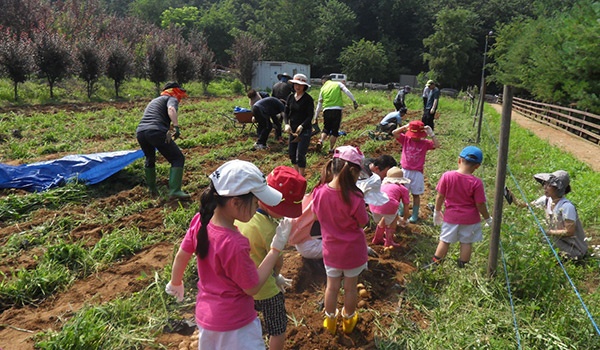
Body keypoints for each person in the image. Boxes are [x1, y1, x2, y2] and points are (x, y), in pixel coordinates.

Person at [165, 159, 290, 349]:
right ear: (235, 203)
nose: (257, 206)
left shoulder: (201, 220)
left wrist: (176, 282)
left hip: (207, 317)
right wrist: (275, 249)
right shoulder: (235, 243)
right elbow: (252, 287)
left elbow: (182, 254)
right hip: (236, 325)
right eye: (256, 202)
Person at [236, 166, 307, 350]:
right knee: (277, 328)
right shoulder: (269, 230)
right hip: (266, 289)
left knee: (246, 324)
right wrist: (276, 276)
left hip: (241, 286)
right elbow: (277, 260)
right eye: (284, 210)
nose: (285, 214)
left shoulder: (240, 218)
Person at [312, 145, 369, 335]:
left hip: (331, 250)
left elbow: (316, 215)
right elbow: (363, 222)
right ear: (353, 171)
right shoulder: (355, 197)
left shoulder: (319, 192)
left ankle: (330, 320)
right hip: (353, 251)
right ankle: (348, 320)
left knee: (331, 287)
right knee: (350, 289)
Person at [429, 146, 492, 268]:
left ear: (459, 160)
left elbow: (440, 196)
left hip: (451, 217)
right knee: (466, 242)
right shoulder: (476, 182)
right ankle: (463, 266)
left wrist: (437, 211)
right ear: (477, 166)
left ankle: (436, 264)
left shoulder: (447, 176)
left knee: (445, 240)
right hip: (470, 219)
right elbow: (480, 204)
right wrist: (487, 218)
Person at [136, 81, 190, 199]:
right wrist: (176, 126)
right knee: (177, 158)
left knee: (150, 158)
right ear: (175, 91)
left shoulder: (154, 100)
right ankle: (175, 191)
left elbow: (155, 117)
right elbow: (171, 109)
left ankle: (152, 189)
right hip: (155, 131)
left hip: (141, 132)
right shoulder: (171, 98)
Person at [531, 170, 587, 261]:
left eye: (549, 185)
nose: (545, 187)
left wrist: (548, 232)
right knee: (538, 239)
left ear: (558, 188)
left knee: (543, 239)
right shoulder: (546, 200)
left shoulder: (567, 207)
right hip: (560, 242)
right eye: (545, 184)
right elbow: (527, 206)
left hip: (574, 249)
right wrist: (512, 197)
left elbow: (569, 232)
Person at [392, 120, 440, 223]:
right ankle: (401, 209)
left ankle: (414, 214)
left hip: (417, 172)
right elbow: (394, 133)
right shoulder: (406, 139)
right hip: (404, 171)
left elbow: (436, 145)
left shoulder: (425, 143)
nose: (415, 137)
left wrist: (432, 135)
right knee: (402, 192)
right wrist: (404, 127)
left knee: (415, 194)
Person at [314, 74, 359, 154]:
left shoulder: (323, 88)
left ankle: (321, 140)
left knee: (326, 128)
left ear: (323, 81)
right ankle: (331, 149)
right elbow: (347, 91)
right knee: (334, 131)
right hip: (337, 110)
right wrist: (354, 101)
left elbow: (319, 104)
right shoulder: (338, 84)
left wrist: (316, 117)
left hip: (326, 110)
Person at [370, 166, 411, 247]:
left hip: (373, 206)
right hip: (388, 206)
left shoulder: (382, 185)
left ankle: (377, 238)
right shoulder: (403, 189)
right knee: (393, 218)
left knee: (384, 218)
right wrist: (405, 219)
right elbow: (406, 207)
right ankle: (389, 241)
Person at [283, 73, 314, 177]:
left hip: (304, 130)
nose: (297, 86)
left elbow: (310, 116)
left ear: (304, 86)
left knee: (300, 155)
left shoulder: (308, 99)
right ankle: (296, 174)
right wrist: (286, 124)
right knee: (292, 154)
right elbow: (286, 112)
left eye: (300, 85)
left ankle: (301, 176)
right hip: (293, 130)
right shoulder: (290, 97)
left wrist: (302, 126)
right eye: (296, 84)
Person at [271, 73, 294, 141]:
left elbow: (272, 95)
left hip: (275, 104)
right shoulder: (288, 85)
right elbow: (294, 93)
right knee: (288, 119)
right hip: (284, 104)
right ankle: (291, 134)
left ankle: (277, 136)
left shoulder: (275, 85)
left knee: (278, 121)